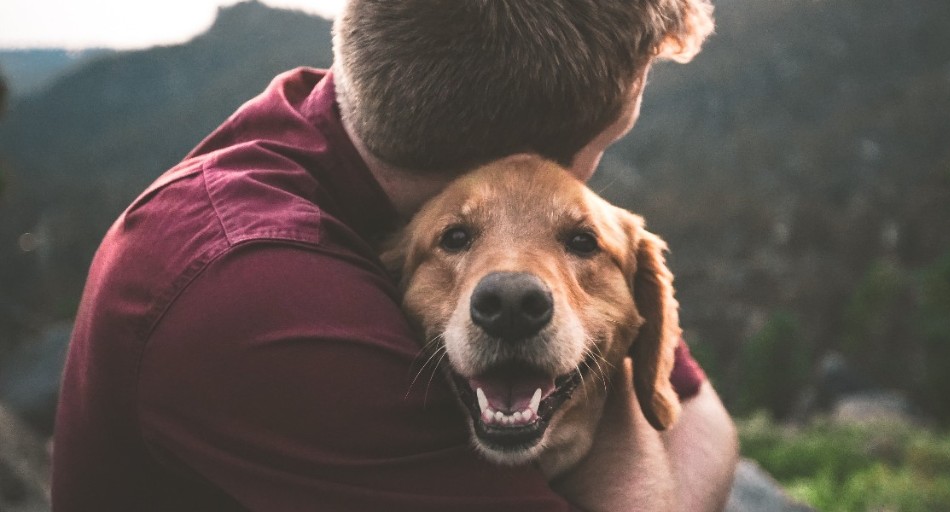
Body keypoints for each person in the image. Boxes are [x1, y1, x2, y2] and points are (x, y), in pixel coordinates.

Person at [52, 0, 737, 510]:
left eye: (578, 236)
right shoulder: (258, 298)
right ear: (524, 159)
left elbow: (701, 414)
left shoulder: (348, 124)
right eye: (608, 140)